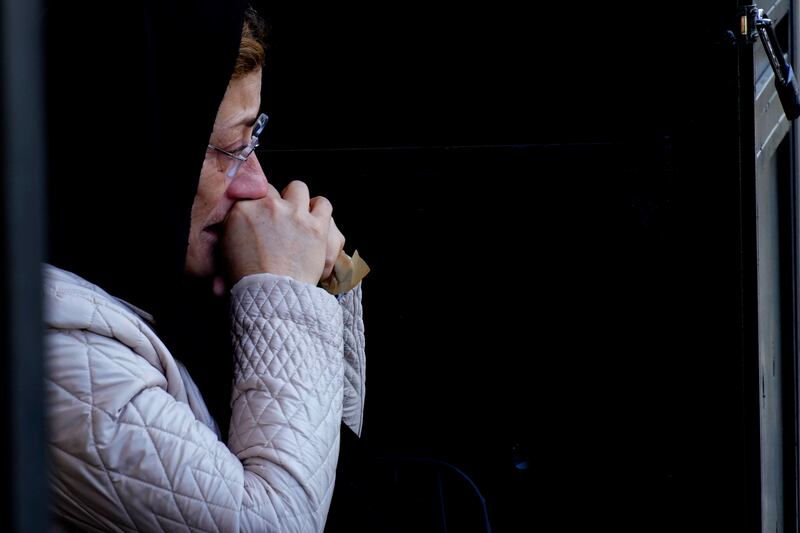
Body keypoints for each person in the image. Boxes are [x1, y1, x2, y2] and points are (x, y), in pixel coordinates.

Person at [43, 4, 366, 531]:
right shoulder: (56, 357)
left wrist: (329, 277)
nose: (257, 185)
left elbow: (339, 460)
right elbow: (282, 522)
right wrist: (284, 290)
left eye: (253, 140)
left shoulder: (157, 284)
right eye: (231, 148)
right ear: (135, 151)